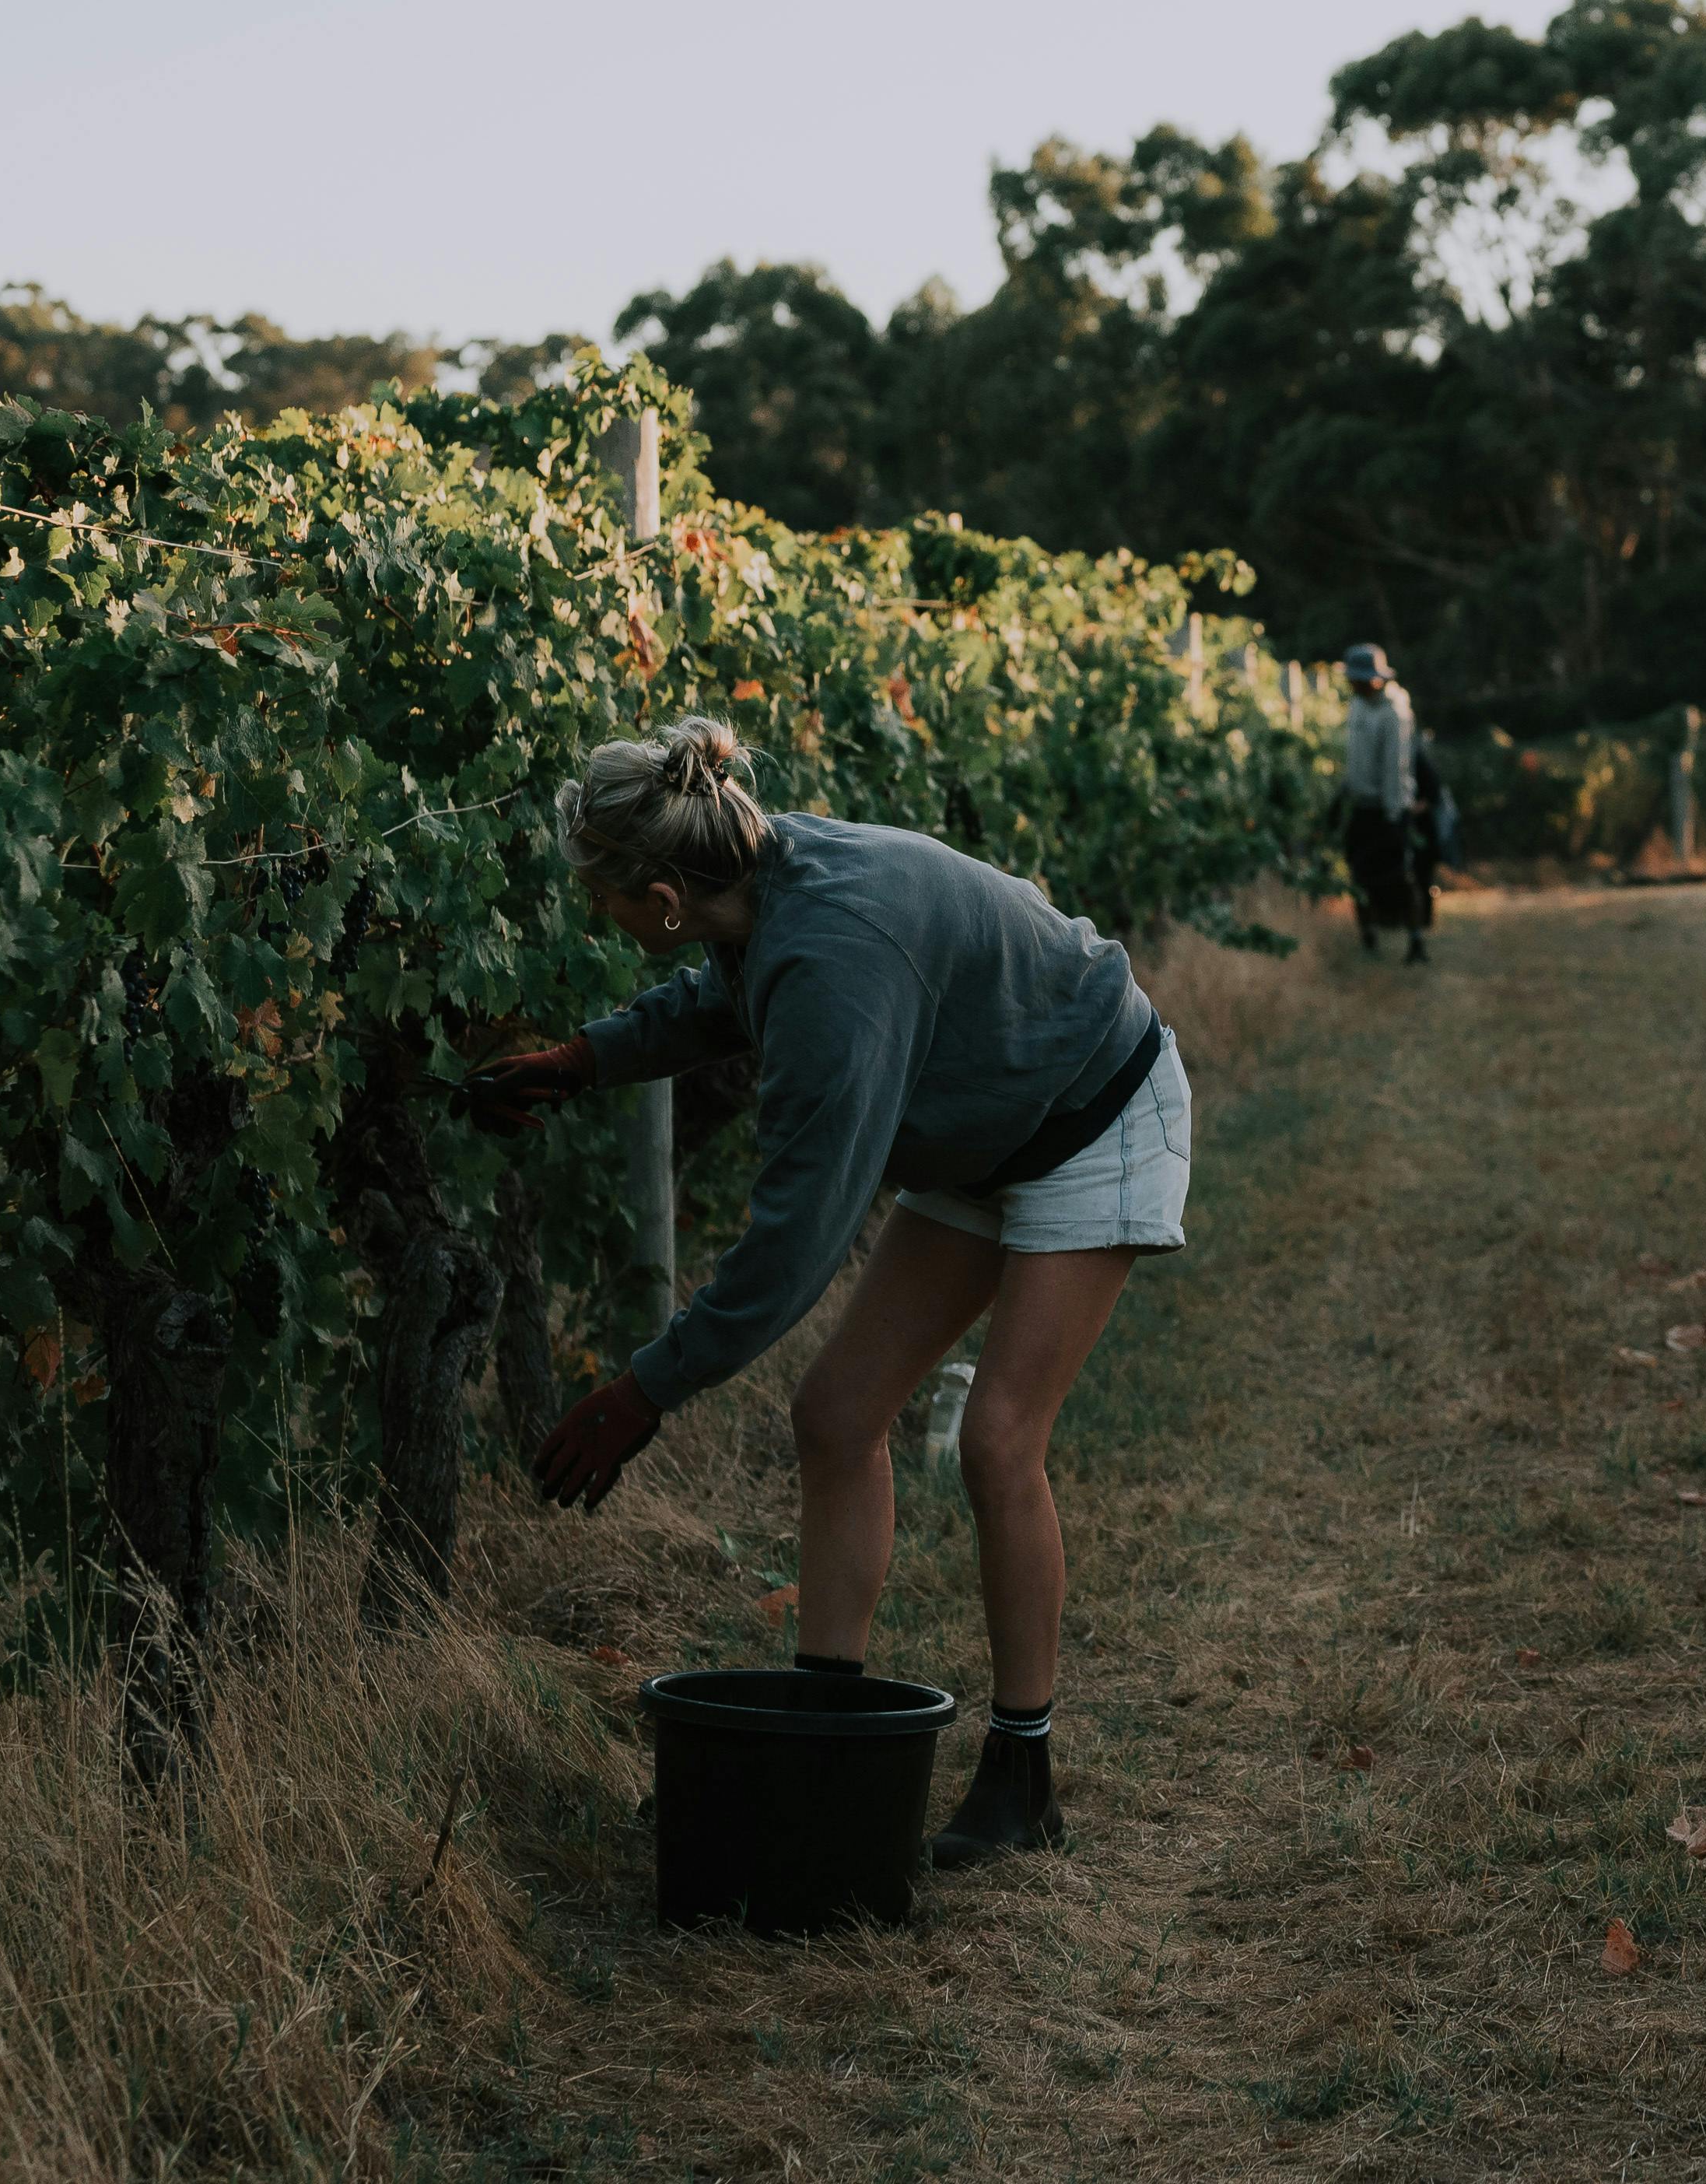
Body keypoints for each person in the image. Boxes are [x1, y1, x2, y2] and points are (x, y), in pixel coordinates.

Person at [473, 717, 1185, 1870]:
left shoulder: (833, 965)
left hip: (1093, 1109)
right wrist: (584, 1060)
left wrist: (646, 1391)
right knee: (837, 1417)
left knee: (999, 1443)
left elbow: (793, 1246)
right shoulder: (762, 875)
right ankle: (822, 1731)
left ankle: (1022, 1774)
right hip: (984, 1124)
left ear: (660, 896)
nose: (602, 922)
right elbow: (721, 998)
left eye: (604, 902)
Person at [1336, 643, 1433, 963]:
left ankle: (1415, 941)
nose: (1354, 684)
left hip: (1388, 808)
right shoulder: (1358, 705)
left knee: (1401, 875)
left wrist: (1394, 817)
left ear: (1376, 680)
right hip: (1363, 805)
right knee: (1359, 872)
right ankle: (1368, 936)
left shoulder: (1394, 713)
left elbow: (1396, 768)